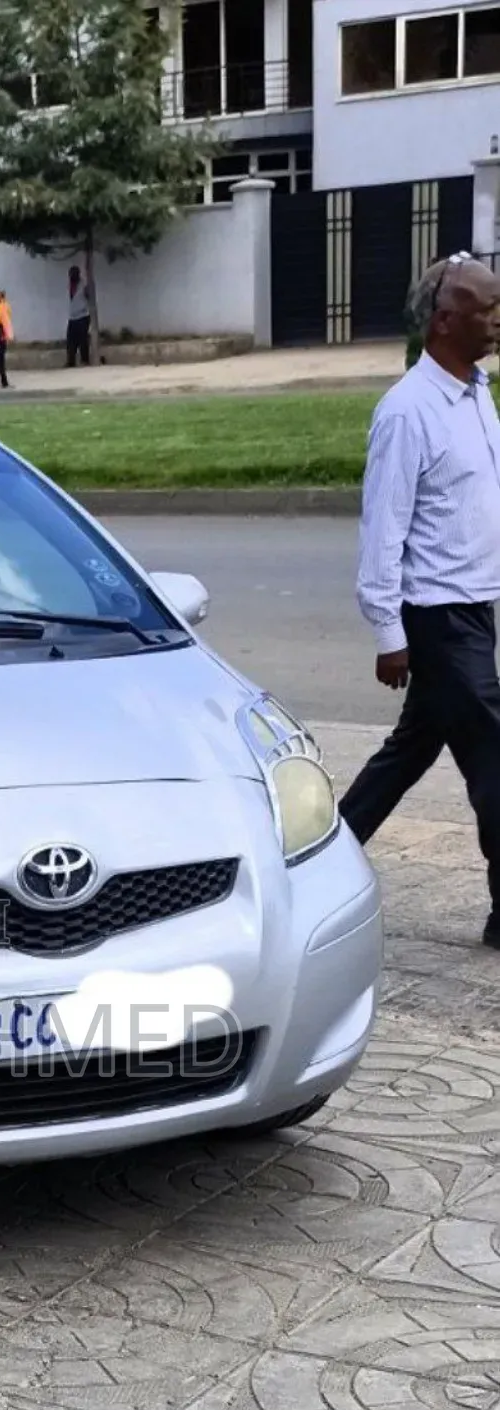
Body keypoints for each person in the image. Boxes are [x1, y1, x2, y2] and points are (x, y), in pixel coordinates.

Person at [338, 252, 500, 946]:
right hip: (437, 618)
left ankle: (318, 861)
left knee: (408, 754)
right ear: (444, 322)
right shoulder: (407, 413)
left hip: (473, 608)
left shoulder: (477, 389)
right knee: (496, 755)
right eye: (487, 308)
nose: (498, 318)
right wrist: (388, 632)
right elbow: (384, 527)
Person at [66, 266, 91, 368]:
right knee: (70, 341)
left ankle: (85, 360)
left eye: (74, 274)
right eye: (71, 274)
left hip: (83, 315)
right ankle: (71, 362)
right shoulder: (69, 285)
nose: (72, 276)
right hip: (72, 317)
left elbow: (88, 296)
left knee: (83, 340)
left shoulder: (83, 285)